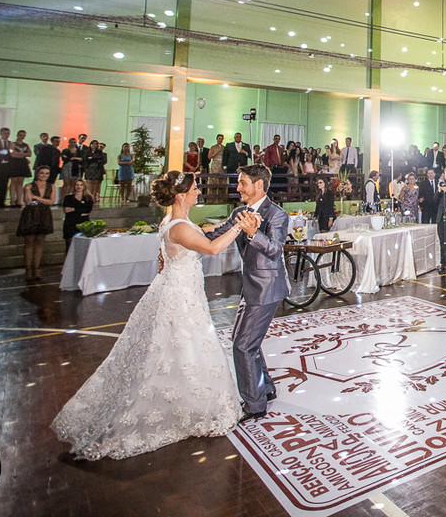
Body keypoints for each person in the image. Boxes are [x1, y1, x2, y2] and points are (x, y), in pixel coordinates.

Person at [52, 171, 251, 459]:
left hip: (181, 291)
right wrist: (241, 227)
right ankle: (183, 405)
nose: (198, 192)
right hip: (180, 297)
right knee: (185, 345)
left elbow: (205, 233)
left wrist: (229, 222)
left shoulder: (176, 221)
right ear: (181, 195)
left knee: (180, 348)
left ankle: (187, 398)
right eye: (195, 188)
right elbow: (211, 247)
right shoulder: (179, 226)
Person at [203, 165, 290, 422]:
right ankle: (265, 389)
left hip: (267, 288)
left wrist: (254, 233)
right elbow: (217, 233)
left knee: (243, 345)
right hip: (249, 286)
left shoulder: (277, 215)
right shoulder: (239, 212)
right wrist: (184, 230)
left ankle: (254, 405)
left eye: (242, 183)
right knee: (243, 340)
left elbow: (275, 250)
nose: (238, 187)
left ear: (259, 185)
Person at [17, 166, 56, 282]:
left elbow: (51, 201)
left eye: (47, 174)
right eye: (42, 173)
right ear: (37, 174)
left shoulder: (51, 186)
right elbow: (28, 201)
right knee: (29, 242)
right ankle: (28, 269)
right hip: (31, 214)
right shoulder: (29, 186)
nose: (44, 175)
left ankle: (37, 268)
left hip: (44, 214)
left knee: (40, 242)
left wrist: (36, 197)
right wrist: (36, 198)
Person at [62, 179, 95, 252]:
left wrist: (74, 209)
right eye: (77, 185)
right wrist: (80, 210)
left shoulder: (88, 198)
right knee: (69, 245)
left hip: (83, 223)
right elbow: (66, 210)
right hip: (70, 223)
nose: (79, 187)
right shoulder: (68, 198)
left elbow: (87, 210)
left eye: (81, 185)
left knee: (83, 247)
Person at [8, 129, 32, 208]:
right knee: (14, 181)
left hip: (22, 164)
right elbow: (11, 154)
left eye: (23, 135)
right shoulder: (13, 144)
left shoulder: (26, 145)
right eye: (21, 135)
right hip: (14, 163)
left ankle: (19, 200)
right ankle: (12, 200)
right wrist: (22, 154)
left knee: (20, 182)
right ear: (17, 135)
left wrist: (19, 154)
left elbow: (29, 154)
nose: (22, 137)